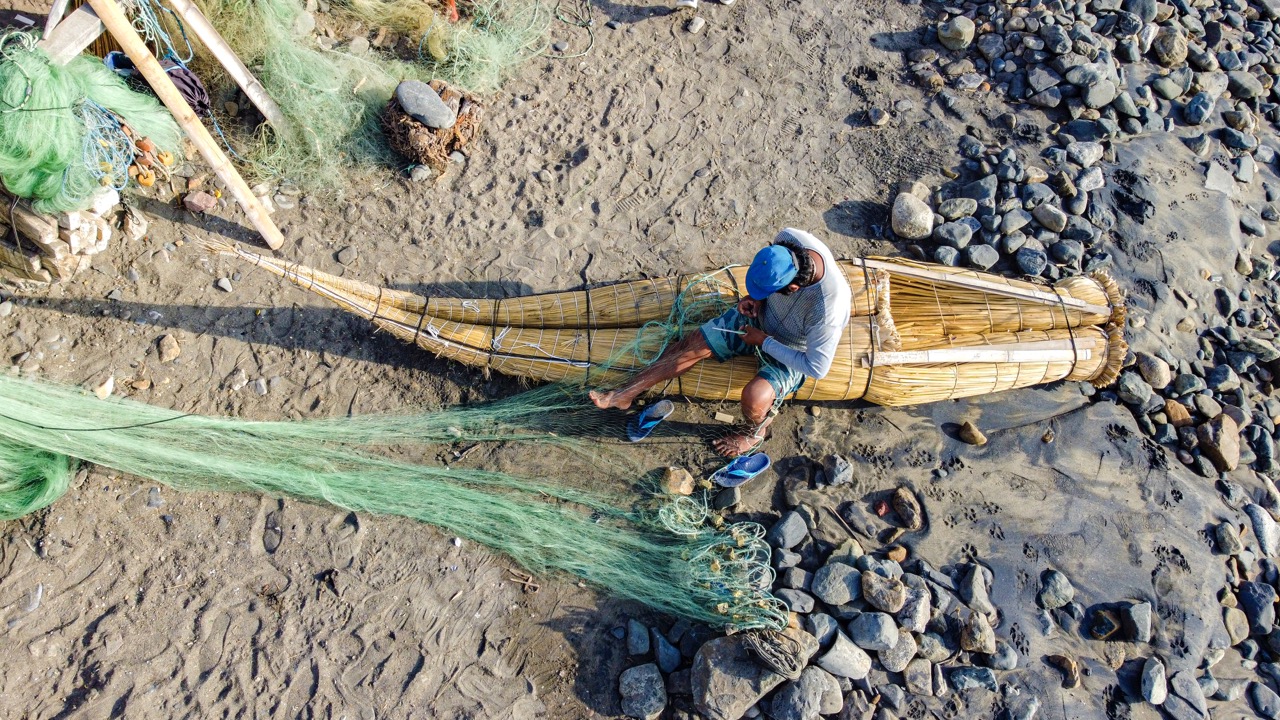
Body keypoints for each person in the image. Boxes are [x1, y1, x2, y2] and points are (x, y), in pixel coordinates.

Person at [590, 228, 851, 456]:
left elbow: (817, 368)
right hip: (761, 319)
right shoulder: (788, 238)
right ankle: (625, 394)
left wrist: (764, 342)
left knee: (755, 397)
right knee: (692, 344)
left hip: (791, 347)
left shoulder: (827, 309)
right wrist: (758, 299)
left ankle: (753, 434)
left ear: (793, 289)